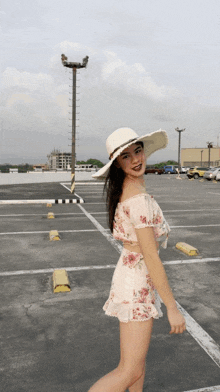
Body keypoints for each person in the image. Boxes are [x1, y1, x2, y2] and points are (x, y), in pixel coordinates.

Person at [89, 127, 186, 392]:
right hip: (137, 282)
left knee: (136, 368)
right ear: (117, 164)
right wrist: (173, 308)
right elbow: (151, 257)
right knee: (128, 370)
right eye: (126, 156)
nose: (135, 160)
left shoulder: (129, 188)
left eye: (138, 151)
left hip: (133, 276)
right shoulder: (138, 198)